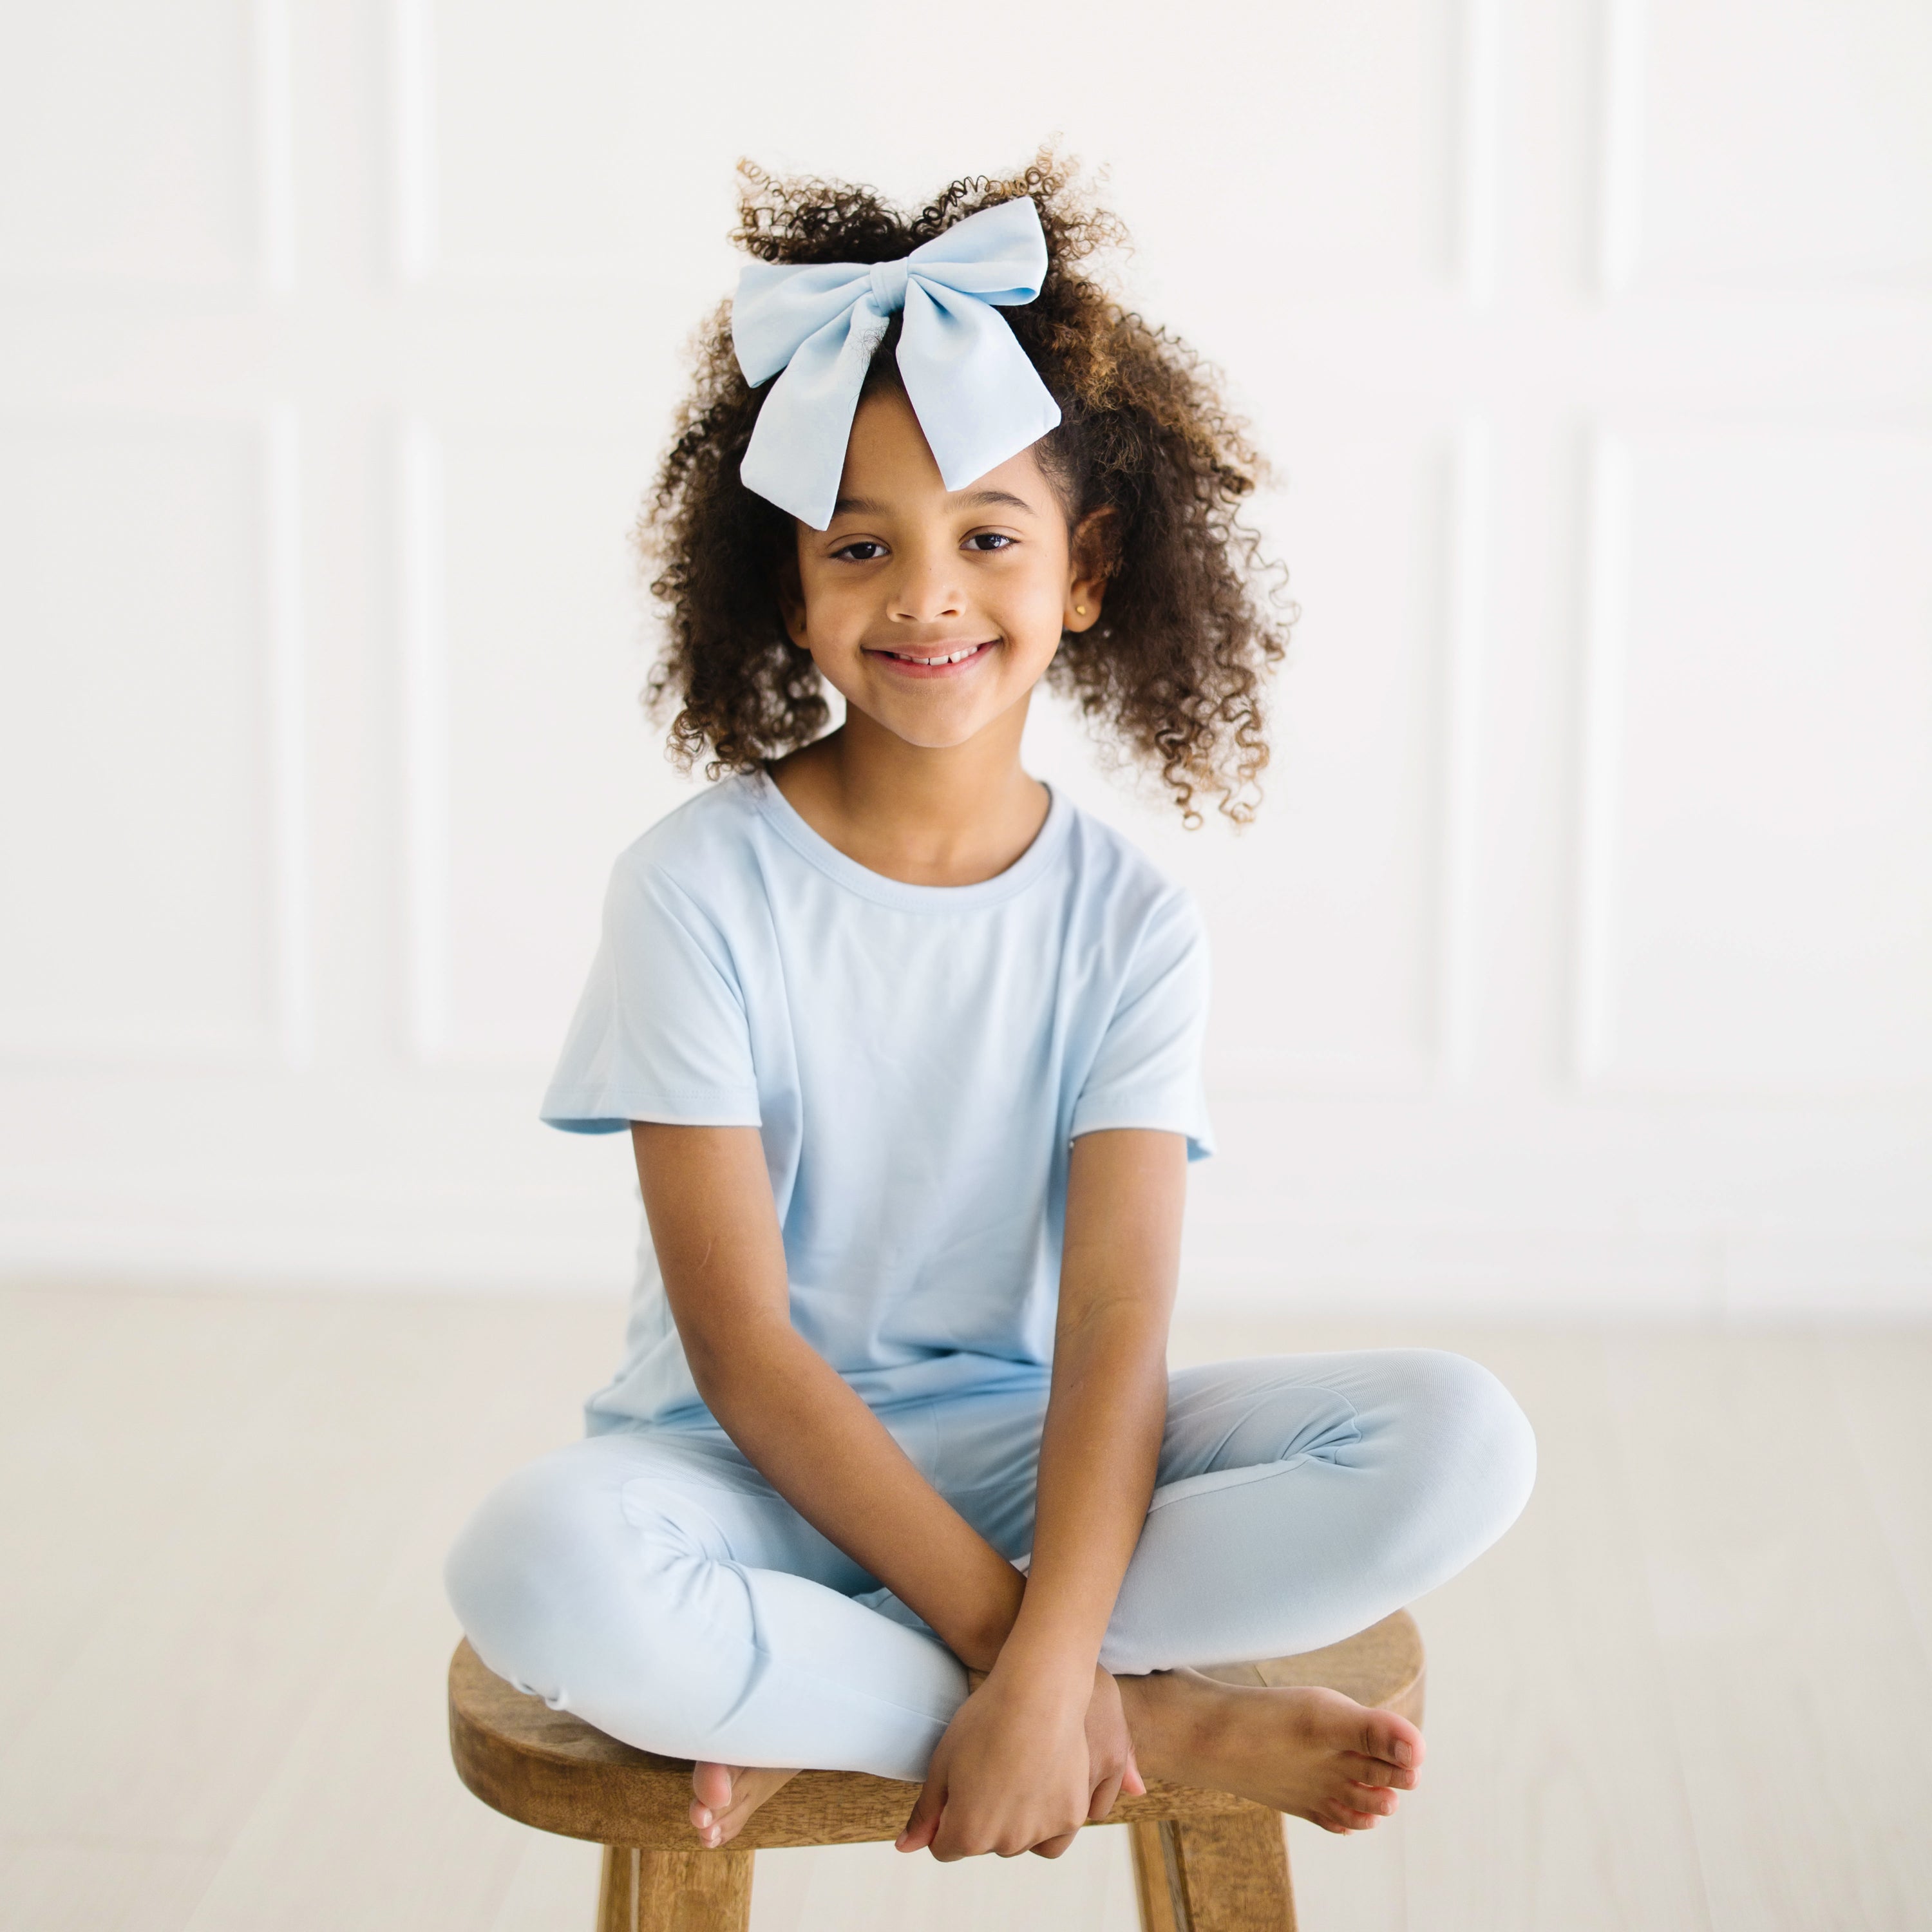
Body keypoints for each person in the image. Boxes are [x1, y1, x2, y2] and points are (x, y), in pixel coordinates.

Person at [445, 156, 1535, 1865]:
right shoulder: (694, 888)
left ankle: (847, 1703)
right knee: (532, 1568)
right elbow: (740, 1348)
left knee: (1465, 1443)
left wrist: (1042, 1634)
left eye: (987, 537)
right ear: (789, 586)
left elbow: (1115, 1329)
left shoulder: (1131, 924)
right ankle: (1143, 1716)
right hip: (737, 1481)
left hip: (1025, 1461)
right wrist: (1019, 1660)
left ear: (1085, 572)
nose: (926, 593)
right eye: (859, 544)